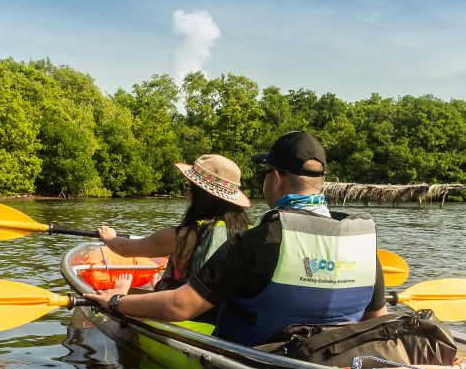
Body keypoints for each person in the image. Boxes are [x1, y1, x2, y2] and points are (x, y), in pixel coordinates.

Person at [85, 131, 387, 346]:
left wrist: (115, 301)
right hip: (331, 358)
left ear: (277, 179)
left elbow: (179, 307)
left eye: (264, 174)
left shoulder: (256, 243)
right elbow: (376, 319)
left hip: (251, 360)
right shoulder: (360, 242)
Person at [95, 154, 252, 294]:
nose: (187, 193)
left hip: (182, 318)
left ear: (201, 195)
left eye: (189, 187)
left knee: (155, 286)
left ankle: (123, 292)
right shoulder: (250, 232)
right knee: (159, 284)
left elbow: (124, 248)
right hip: (225, 317)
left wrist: (109, 238)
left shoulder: (181, 237)